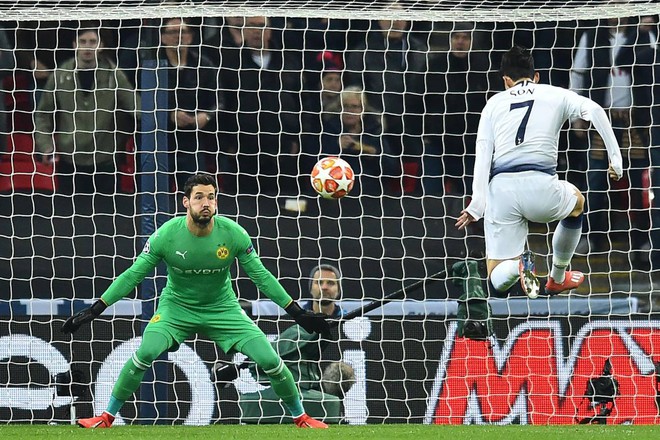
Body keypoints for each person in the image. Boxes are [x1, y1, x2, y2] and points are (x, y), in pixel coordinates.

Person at [61, 173, 331, 429]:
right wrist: (97, 308)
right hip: (176, 308)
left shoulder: (233, 234)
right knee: (145, 352)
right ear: (186, 202)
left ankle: (301, 417)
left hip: (223, 309)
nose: (207, 203)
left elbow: (261, 276)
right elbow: (134, 274)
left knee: (270, 360)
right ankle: (106, 416)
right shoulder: (167, 235)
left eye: (212, 197)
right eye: (200, 197)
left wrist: (297, 312)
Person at [455, 46, 623, 299]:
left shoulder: (493, 104)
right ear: (536, 76)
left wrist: (477, 204)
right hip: (542, 187)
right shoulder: (556, 94)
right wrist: (615, 157)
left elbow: (483, 154)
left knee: (496, 282)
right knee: (577, 203)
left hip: (501, 191)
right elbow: (596, 111)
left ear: (506, 81)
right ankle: (557, 277)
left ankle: (517, 265)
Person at [231, 264, 355, 423]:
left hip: (322, 385)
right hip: (295, 378)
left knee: (342, 371)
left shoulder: (350, 322)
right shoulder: (294, 318)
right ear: (311, 288)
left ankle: (334, 416)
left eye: (330, 283)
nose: (324, 287)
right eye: (319, 282)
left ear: (338, 289)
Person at [570, 16, 651, 257]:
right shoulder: (593, 36)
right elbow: (578, 72)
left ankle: (642, 241)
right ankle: (592, 238)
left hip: (634, 122)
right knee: (595, 181)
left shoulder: (644, 35)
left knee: (639, 183)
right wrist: (577, 116)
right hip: (600, 120)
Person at [34, 25, 140, 195]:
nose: (88, 46)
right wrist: (46, 146)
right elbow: (42, 115)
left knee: (107, 217)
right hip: (69, 161)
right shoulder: (60, 75)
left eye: (93, 42)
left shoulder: (114, 75)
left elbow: (136, 106)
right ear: (75, 44)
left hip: (105, 161)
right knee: (68, 217)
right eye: (83, 42)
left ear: (101, 45)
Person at [158, 17, 222, 195]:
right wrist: (170, 114)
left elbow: (219, 100)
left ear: (191, 36)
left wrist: (206, 115)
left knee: (194, 194)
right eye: (172, 32)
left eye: (183, 32)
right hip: (160, 142)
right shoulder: (152, 66)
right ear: (162, 37)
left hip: (194, 143)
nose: (178, 37)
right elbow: (141, 102)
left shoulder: (204, 64)